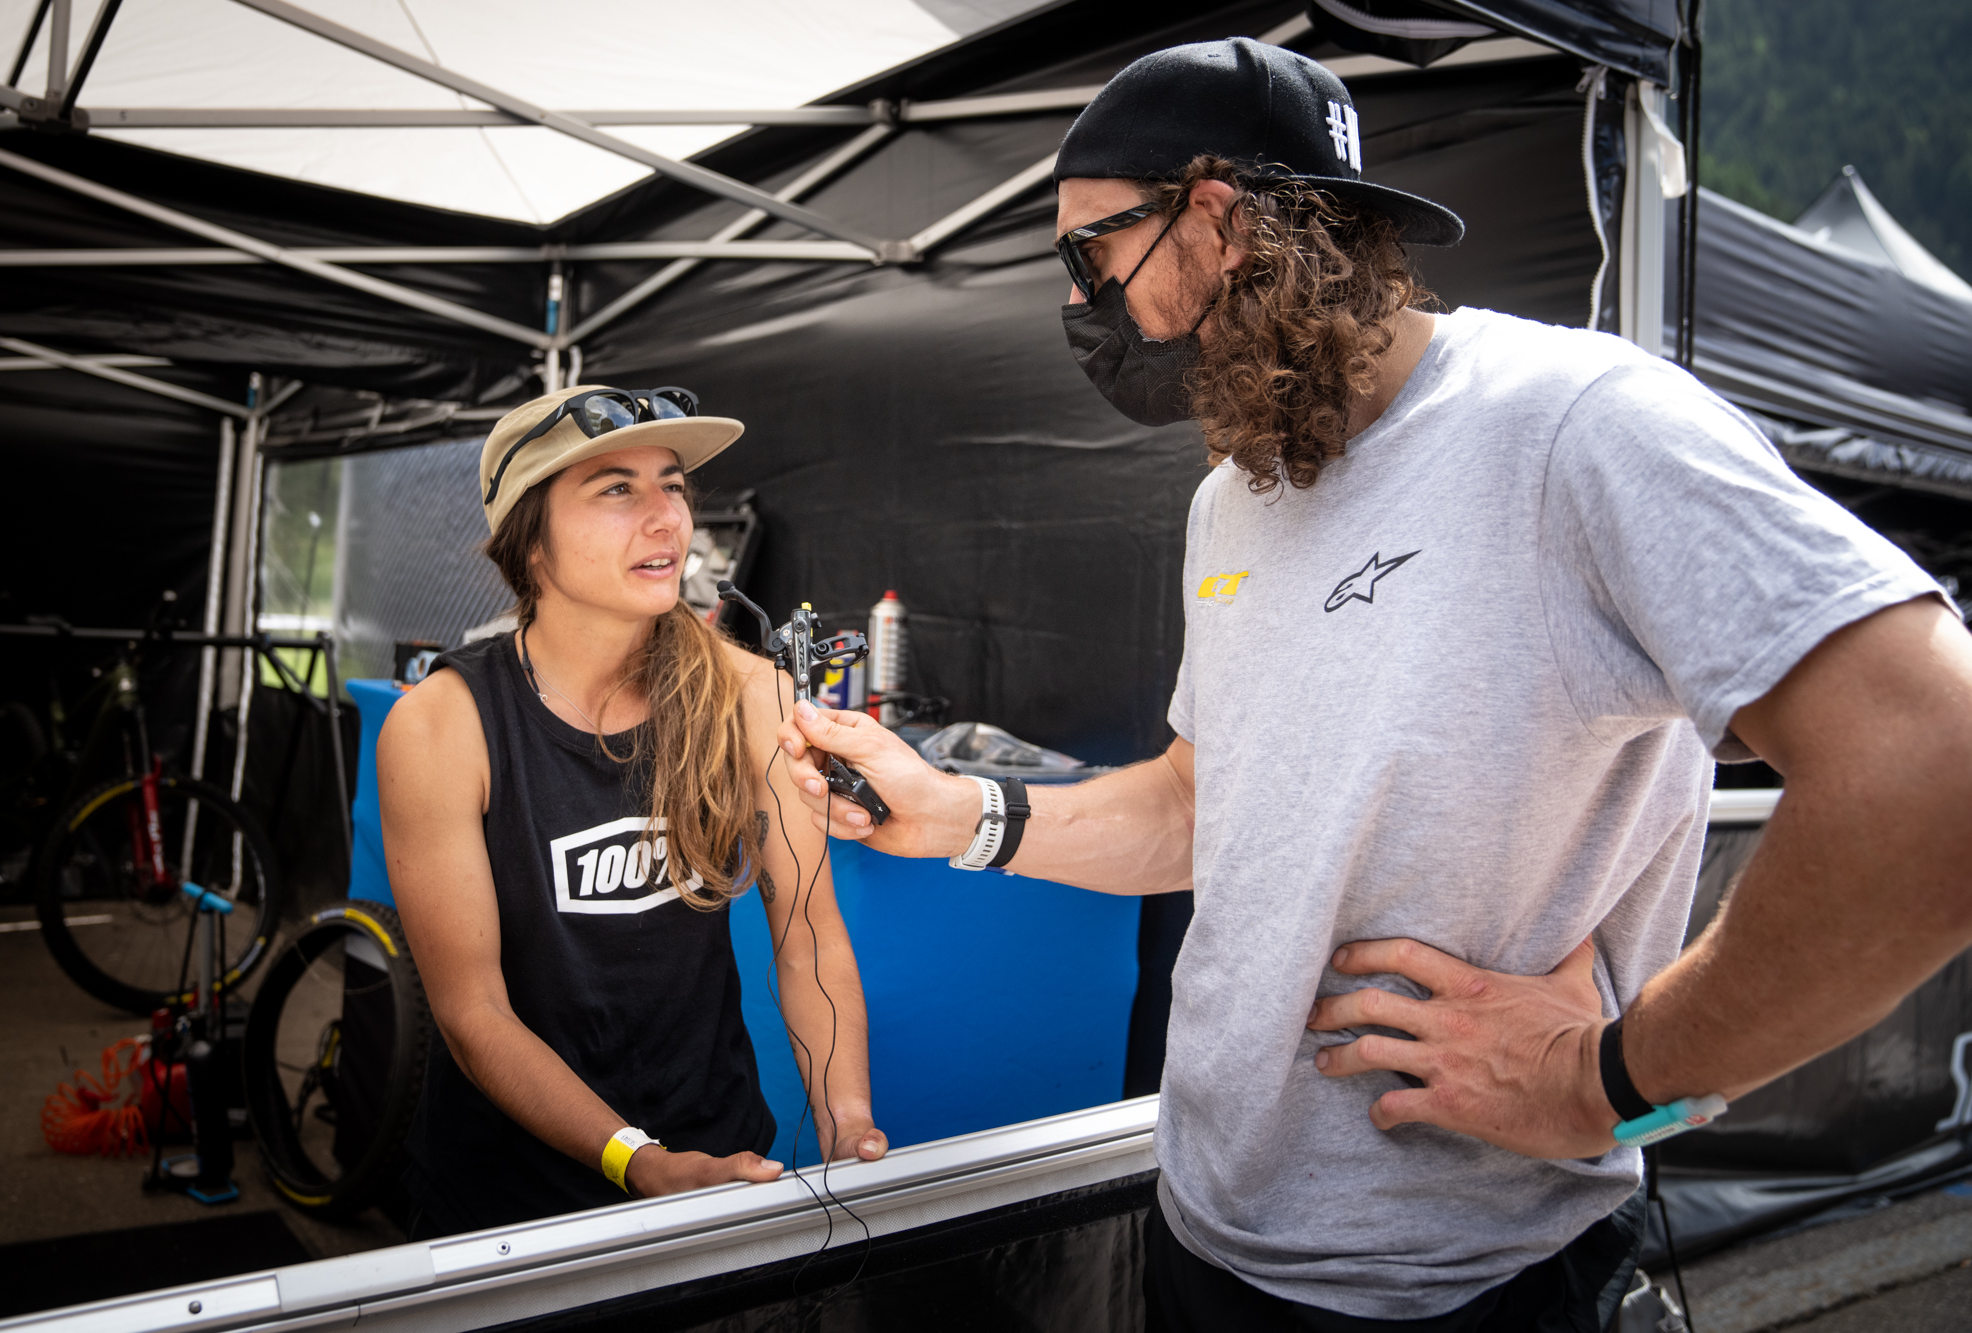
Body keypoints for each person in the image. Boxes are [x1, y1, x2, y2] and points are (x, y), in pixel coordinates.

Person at [773, 38, 1972, 1332]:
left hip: (1464, 1287)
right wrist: (958, 812)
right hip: (1205, 1238)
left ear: (1217, 218)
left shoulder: (1576, 421)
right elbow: (1199, 806)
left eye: (1089, 253)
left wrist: (1617, 1078)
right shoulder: (1232, 497)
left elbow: (1936, 764)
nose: (1079, 304)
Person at [379, 384, 887, 1240]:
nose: (667, 518)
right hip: (509, 1204)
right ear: (530, 540)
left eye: (673, 485)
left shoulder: (751, 693)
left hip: (722, 1169)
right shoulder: (442, 725)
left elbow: (808, 936)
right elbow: (474, 1015)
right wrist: (638, 1159)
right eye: (617, 488)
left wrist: (847, 1119)